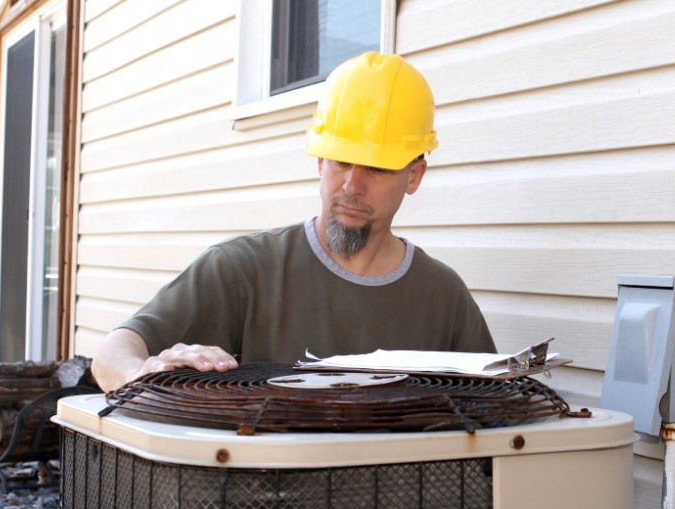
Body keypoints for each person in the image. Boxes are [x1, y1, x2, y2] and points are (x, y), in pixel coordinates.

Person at [91, 51, 495, 392]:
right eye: (340, 161)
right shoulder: (243, 270)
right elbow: (111, 355)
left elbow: (494, 409)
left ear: (414, 176)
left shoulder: (444, 298)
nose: (351, 186)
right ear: (319, 161)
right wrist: (142, 374)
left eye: (376, 167)